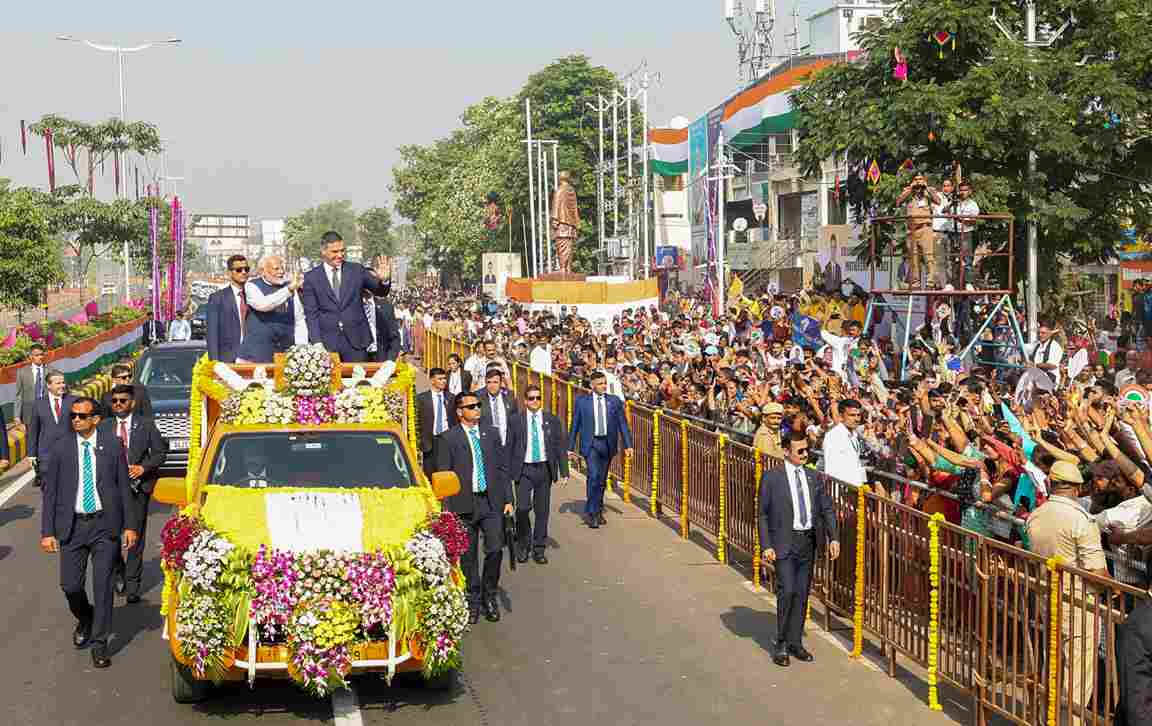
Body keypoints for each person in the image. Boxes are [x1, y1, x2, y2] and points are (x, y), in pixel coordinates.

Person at [39, 396, 135, 669]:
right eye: (73, 416)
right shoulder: (60, 449)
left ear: (96, 419)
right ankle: (86, 616)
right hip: (72, 526)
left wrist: (129, 526)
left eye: (82, 416)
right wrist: (47, 532)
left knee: (103, 587)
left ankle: (99, 643)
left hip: (105, 526)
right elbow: (51, 494)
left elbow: (123, 489)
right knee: (70, 585)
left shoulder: (113, 446)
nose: (76, 420)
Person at [1026, 461, 1109, 725]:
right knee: (1077, 677)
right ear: (1077, 489)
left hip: (1046, 597)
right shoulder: (1081, 519)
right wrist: (1115, 590)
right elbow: (1096, 571)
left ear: (1051, 484)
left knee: (1052, 667)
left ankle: (1045, 719)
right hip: (1077, 605)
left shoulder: (1036, 514)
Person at [758, 431, 840, 666]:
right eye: (800, 451)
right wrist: (766, 545)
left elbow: (827, 509)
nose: (805, 455)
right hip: (784, 542)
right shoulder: (772, 478)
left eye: (807, 450)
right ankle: (781, 643)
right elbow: (762, 514)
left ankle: (796, 642)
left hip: (808, 542)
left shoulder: (813, 477)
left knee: (802, 594)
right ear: (786, 451)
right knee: (788, 591)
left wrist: (833, 537)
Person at [435, 392, 512, 624]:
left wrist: (508, 499)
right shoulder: (448, 439)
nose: (477, 409)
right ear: (460, 412)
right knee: (468, 557)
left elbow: (501, 469)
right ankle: (472, 599)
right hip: (464, 504)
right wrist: (446, 509)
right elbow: (444, 475)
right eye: (471, 406)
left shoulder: (491, 434)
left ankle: (490, 594)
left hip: (490, 501)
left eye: (478, 405)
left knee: (495, 549)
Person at [100, 384, 168, 604]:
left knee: (135, 537)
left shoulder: (146, 425)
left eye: (122, 401)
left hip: (137, 489)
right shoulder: (104, 427)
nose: (118, 405)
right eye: (114, 401)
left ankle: (132, 584)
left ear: (132, 403)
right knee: (112, 534)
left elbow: (159, 452)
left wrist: (143, 468)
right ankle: (119, 570)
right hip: (110, 491)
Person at [299, 231, 391, 362]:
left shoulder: (357, 270)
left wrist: (384, 281)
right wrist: (317, 342)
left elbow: (380, 292)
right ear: (323, 251)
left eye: (342, 251)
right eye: (334, 252)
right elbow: (311, 314)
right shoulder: (311, 278)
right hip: (327, 344)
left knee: (358, 381)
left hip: (357, 342)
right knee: (330, 382)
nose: (340, 255)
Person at [506, 385, 568, 564]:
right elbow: (509, 445)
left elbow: (559, 446)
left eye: (538, 398)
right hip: (523, 469)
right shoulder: (516, 421)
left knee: (542, 511)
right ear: (525, 401)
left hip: (543, 469)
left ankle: (539, 547)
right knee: (523, 508)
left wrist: (563, 471)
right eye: (531, 398)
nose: (535, 401)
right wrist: (506, 471)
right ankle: (523, 543)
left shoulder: (551, 420)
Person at [569, 370, 633, 528]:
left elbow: (622, 424)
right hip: (591, 444)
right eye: (600, 384)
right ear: (592, 385)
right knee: (594, 476)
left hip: (608, 444)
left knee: (602, 480)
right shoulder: (582, 401)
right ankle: (591, 512)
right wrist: (569, 447)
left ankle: (597, 508)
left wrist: (628, 445)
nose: (603, 386)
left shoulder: (614, 401)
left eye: (605, 383)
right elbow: (575, 424)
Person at [237, 255, 307, 363]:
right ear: (263, 271)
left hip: (285, 355)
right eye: (276, 269)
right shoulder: (251, 286)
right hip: (255, 356)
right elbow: (264, 304)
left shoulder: (290, 287)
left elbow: (299, 319)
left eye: (283, 268)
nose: (281, 272)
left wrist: (301, 348)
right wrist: (288, 290)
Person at [28, 370, 75, 473]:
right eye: (58, 383)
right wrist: (32, 454)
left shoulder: (73, 401)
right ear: (48, 385)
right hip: (46, 455)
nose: (62, 385)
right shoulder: (38, 404)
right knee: (48, 487)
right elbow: (33, 430)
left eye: (63, 382)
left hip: (70, 453)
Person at [206, 255, 250, 362]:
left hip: (252, 359)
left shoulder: (254, 297)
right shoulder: (217, 298)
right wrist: (214, 363)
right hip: (228, 360)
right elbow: (212, 334)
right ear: (230, 273)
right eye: (239, 270)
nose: (243, 272)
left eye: (246, 269)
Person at [416, 368, 456, 478]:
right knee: (430, 473)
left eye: (444, 379)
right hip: (429, 441)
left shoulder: (451, 397)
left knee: (445, 471)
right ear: (432, 380)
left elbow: (454, 419)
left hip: (446, 439)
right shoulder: (422, 398)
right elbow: (418, 420)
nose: (443, 381)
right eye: (440, 379)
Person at [821, 399, 867, 487]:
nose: (857, 419)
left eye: (858, 415)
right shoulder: (834, 436)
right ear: (841, 416)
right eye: (852, 415)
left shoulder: (854, 435)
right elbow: (831, 470)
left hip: (855, 488)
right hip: (841, 491)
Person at [479, 368, 518, 447]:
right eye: (489, 382)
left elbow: (515, 421)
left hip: (507, 446)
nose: (492, 386)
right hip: (487, 446)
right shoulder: (479, 400)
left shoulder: (510, 398)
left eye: (495, 382)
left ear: (501, 383)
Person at [363, 287, 402, 362]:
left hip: (381, 361)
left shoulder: (386, 307)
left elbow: (394, 338)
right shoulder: (348, 306)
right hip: (354, 363)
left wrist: (390, 360)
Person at [14, 343, 48, 425]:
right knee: (31, 437)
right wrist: (17, 415)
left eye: (41, 354)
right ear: (31, 357)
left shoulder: (51, 371)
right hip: (29, 413)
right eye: (37, 355)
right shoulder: (22, 372)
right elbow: (19, 395)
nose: (40, 357)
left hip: (47, 411)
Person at [1031, 319, 1065, 387]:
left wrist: (1035, 365)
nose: (1040, 335)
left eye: (1043, 333)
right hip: (1036, 378)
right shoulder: (1037, 345)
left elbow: (1052, 365)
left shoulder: (1055, 346)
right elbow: (1024, 349)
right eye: (1039, 333)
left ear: (1050, 334)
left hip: (1049, 380)